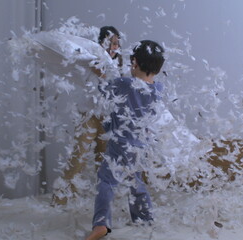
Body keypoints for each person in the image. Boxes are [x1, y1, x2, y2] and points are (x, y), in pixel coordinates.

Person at [85, 40, 165, 240]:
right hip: (141, 145)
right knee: (135, 181)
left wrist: (100, 73)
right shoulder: (158, 90)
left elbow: (105, 90)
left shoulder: (124, 84)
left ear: (135, 63)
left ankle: (101, 224)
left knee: (106, 181)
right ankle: (145, 218)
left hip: (121, 143)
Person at [52, 26, 123, 205]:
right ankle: (62, 199)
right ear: (102, 43)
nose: (115, 47)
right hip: (89, 115)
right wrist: (98, 70)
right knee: (78, 156)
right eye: (112, 43)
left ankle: (104, 201)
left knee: (104, 161)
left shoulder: (120, 65)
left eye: (117, 43)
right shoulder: (90, 60)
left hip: (108, 118)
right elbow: (82, 80)